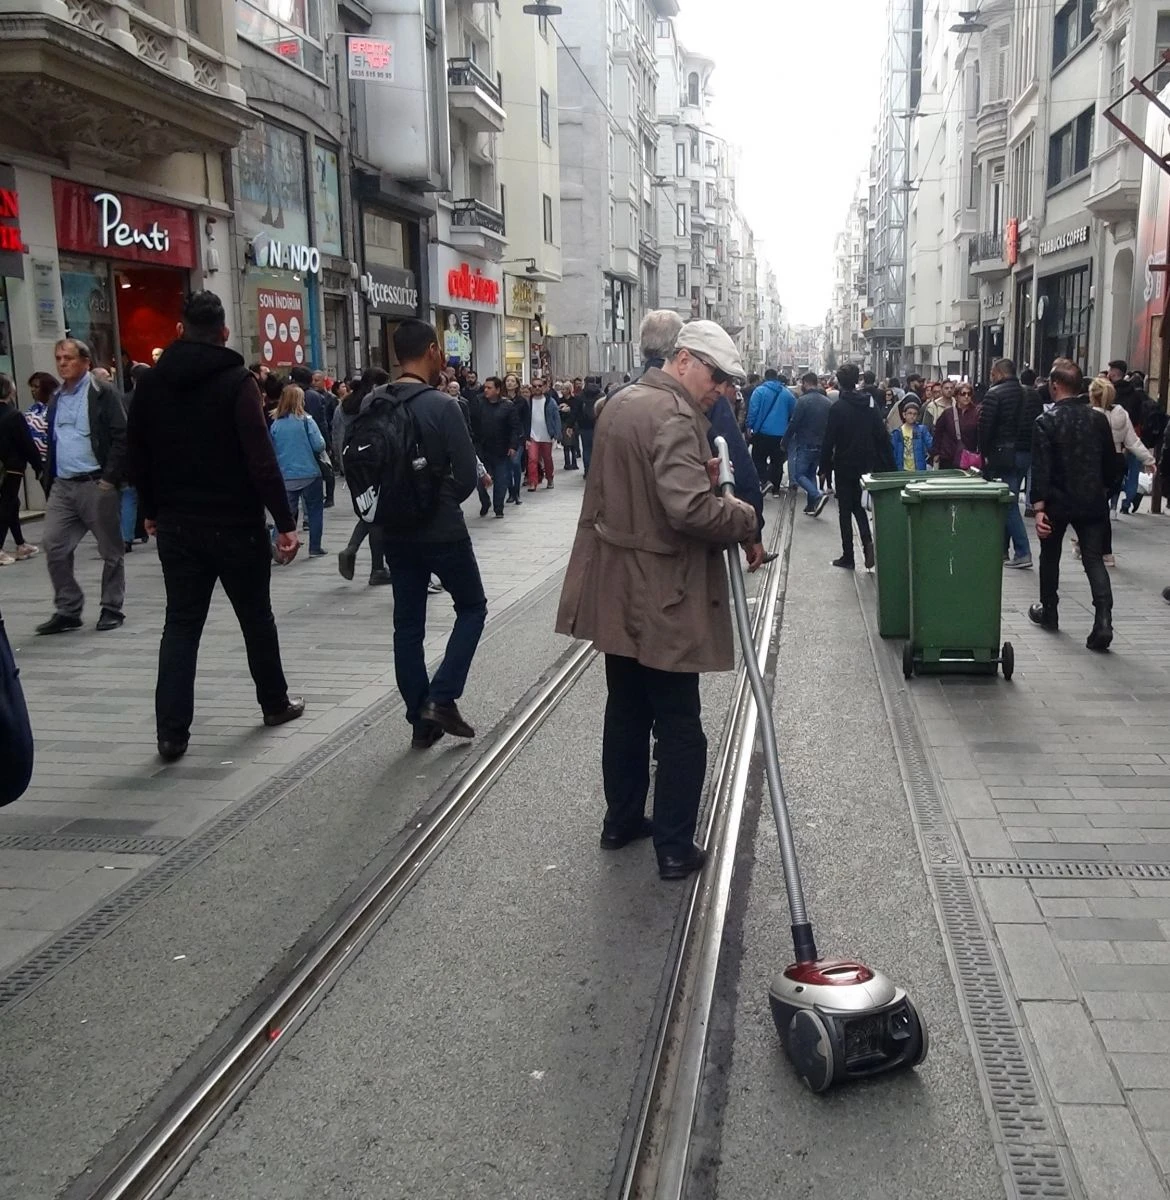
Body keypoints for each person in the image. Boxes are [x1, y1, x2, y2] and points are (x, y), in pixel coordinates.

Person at [556, 320, 758, 881]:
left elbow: (637, 483)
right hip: (662, 589)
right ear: (686, 359)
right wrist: (742, 517)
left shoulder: (622, 402)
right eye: (717, 377)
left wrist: (697, 473)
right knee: (678, 721)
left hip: (617, 584)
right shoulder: (672, 414)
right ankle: (673, 845)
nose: (721, 390)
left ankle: (620, 820)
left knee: (625, 706)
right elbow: (688, 510)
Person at [126, 290, 305, 760]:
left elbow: (137, 453)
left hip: (179, 525)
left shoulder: (151, 384)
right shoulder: (236, 381)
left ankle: (171, 734)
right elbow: (260, 458)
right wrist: (284, 521)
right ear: (224, 332)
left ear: (179, 331)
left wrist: (150, 509)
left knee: (181, 626)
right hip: (235, 524)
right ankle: (274, 702)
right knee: (256, 618)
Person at [374, 320, 486, 748]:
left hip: (394, 530)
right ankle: (441, 697)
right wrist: (441, 500)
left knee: (408, 624)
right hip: (440, 529)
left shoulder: (373, 402)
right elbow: (465, 474)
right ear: (434, 351)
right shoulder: (442, 405)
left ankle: (420, 719)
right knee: (472, 606)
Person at [36, 338, 128, 635]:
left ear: (86, 362)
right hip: (63, 485)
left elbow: (121, 436)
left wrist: (108, 479)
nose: (62, 363)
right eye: (58, 358)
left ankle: (111, 607)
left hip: (95, 482)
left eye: (68, 358)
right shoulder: (56, 397)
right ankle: (68, 607)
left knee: (110, 550)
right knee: (54, 544)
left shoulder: (103, 392)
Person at [1029, 359, 1122, 652]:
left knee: (1050, 556)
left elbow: (1041, 466)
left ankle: (1050, 611)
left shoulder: (1046, 421)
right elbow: (1111, 461)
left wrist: (1039, 506)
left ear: (1055, 386)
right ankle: (1103, 619)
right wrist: (1105, 489)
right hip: (1092, 499)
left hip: (1058, 500)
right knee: (1093, 559)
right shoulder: (1098, 419)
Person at [819, 362, 894, 570]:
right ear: (857, 380)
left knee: (845, 510)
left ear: (840, 383)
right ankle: (867, 541)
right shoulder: (869, 405)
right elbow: (881, 434)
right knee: (859, 505)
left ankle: (848, 555)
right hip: (866, 464)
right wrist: (887, 463)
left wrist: (823, 467)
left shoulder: (837, 408)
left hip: (844, 464)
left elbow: (829, 440)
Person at [1088, 376, 1154, 567]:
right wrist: (1148, 460)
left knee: (1091, 508)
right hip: (1116, 461)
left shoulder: (1091, 415)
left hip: (1094, 462)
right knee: (1101, 506)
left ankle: (1092, 547)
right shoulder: (1120, 413)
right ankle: (1104, 551)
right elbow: (1133, 441)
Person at [335, 367, 391, 585]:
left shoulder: (345, 404)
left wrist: (342, 463)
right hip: (374, 460)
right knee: (376, 514)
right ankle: (377, 568)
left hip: (352, 462)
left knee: (367, 508)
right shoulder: (376, 402)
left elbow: (337, 433)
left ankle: (352, 548)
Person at [980, 358, 1031, 569]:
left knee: (1008, 503)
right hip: (1025, 453)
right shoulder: (1029, 393)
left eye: (992, 374)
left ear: (999, 373)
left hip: (1003, 454)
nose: (991, 378)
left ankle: (1022, 551)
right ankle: (1003, 550)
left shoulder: (994, 394)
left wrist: (983, 452)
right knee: (1009, 500)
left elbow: (986, 427)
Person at [270, 384, 328, 557]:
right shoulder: (306, 420)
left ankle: (276, 543)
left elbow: (272, 449)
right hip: (309, 472)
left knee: (287, 512)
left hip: (286, 474)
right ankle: (315, 547)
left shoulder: (275, 424)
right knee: (315, 509)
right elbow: (319, 445)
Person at [0, 375, 44, 565]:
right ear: (10, 391)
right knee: (7, 505)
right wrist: (38, 466)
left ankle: (20, 543)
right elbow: (27, 444)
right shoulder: (14, 415)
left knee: (13, 504)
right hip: (11, 467)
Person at [786, 372, 831, 515]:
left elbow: (794, 422)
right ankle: (811, 505)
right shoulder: (827, 402)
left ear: (805, 383)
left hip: (805, 443)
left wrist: (785, 440)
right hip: (821, 444)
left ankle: (817, 494)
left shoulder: (803, 401)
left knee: (799, 475)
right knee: (811, 474)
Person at [746, 368, 795, 494]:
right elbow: (793, 413)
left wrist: (749, 426)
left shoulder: (759, 391)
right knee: (777, 462)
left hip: (762, 432)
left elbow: (753, 411)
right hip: (780, 434)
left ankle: (764, 480)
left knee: (758, 458)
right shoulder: (787, 394)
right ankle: (776, 489)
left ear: (765, 377)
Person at [479, 376, 522, 517]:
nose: (486, 390)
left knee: (501, 479)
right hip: (482, 448)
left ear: (498, 390)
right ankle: (485, 502)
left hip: (501, 449)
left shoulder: (507, 406)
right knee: (479, 479)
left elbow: (515, 428)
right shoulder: (479, 403)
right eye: (485, 387)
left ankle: (498, 507)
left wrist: (513, 446)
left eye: (489, 388)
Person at [932, 381, 979, 469]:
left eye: (969, 394)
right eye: (963, 394)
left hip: (969, 458)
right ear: (957, 396)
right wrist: (936, 453)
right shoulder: (948, 413)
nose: (966, 397)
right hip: (949, 458)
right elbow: (938, 433)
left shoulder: (976, 413)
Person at [890, 396, 933, 469]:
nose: (912, 416)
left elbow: (931, 446)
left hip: (918, 469)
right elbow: (893, 453)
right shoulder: (897, 433)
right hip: (902, 469)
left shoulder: (922, 430)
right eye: (909, 413)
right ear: (904, 415)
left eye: (915, 414)